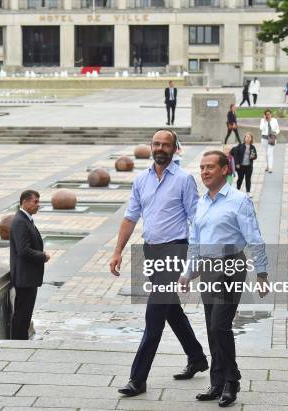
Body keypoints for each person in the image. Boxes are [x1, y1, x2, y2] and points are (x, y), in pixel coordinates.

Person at [110, 129, 208, 397]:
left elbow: (196, 221)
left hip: (175, 250)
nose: (160, 148)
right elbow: (130, 217)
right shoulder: (141, 179)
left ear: (175, 148)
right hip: (151, 251)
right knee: (171, 310)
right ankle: (197, 357)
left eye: (166, 144)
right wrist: (117, 250)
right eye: (156, 143)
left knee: (154, 315)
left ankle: (137, 379)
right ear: (150, 146)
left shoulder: (184, 180)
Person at [179, 150, 269, 408]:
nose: (205, 172)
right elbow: (195, 243)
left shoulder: (240, 200)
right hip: (207, 268)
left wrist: (261, 274)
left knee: (220, 325)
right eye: (202, 167)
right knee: (210, 326)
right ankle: (217, 383)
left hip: (231, 265)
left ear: (225, 170)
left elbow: (255, 239)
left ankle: (232, 380)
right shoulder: (201, 203)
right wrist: (187, 273)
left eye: (210, 167)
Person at [10, 190, 50, 340]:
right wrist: (43, 256)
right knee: (22, 315)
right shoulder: (20, 221)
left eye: (38, 202)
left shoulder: (26, 219)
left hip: (28, 277)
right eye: (35, 202)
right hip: (25, 278)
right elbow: (23, 250)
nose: (38, 205)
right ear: (25, 202)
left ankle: (20, 340)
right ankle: (18, 343)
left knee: (25, 314)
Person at [231, 132, 257, 197]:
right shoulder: (240, 146)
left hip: (249, 166)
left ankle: (248, 192)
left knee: (248, 179)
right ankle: (237, 190)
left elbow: (255, 156)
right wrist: (236, 163)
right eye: (246, 137)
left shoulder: (252, 147)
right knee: (240, 179)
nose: (248, 138)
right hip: (241, 166)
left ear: (251, 139)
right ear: (244, 138)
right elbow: (236, 155)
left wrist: (253, 157)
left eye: (249, 137)